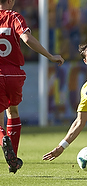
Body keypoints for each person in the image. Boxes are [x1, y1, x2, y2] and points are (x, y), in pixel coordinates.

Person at [0, 0, 64, 173]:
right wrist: (50, 56)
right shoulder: (15, 17)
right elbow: (27, 38)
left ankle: (3, 139)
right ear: (10, 1)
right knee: (13, 112)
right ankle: (12, 160)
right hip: (14, 74)